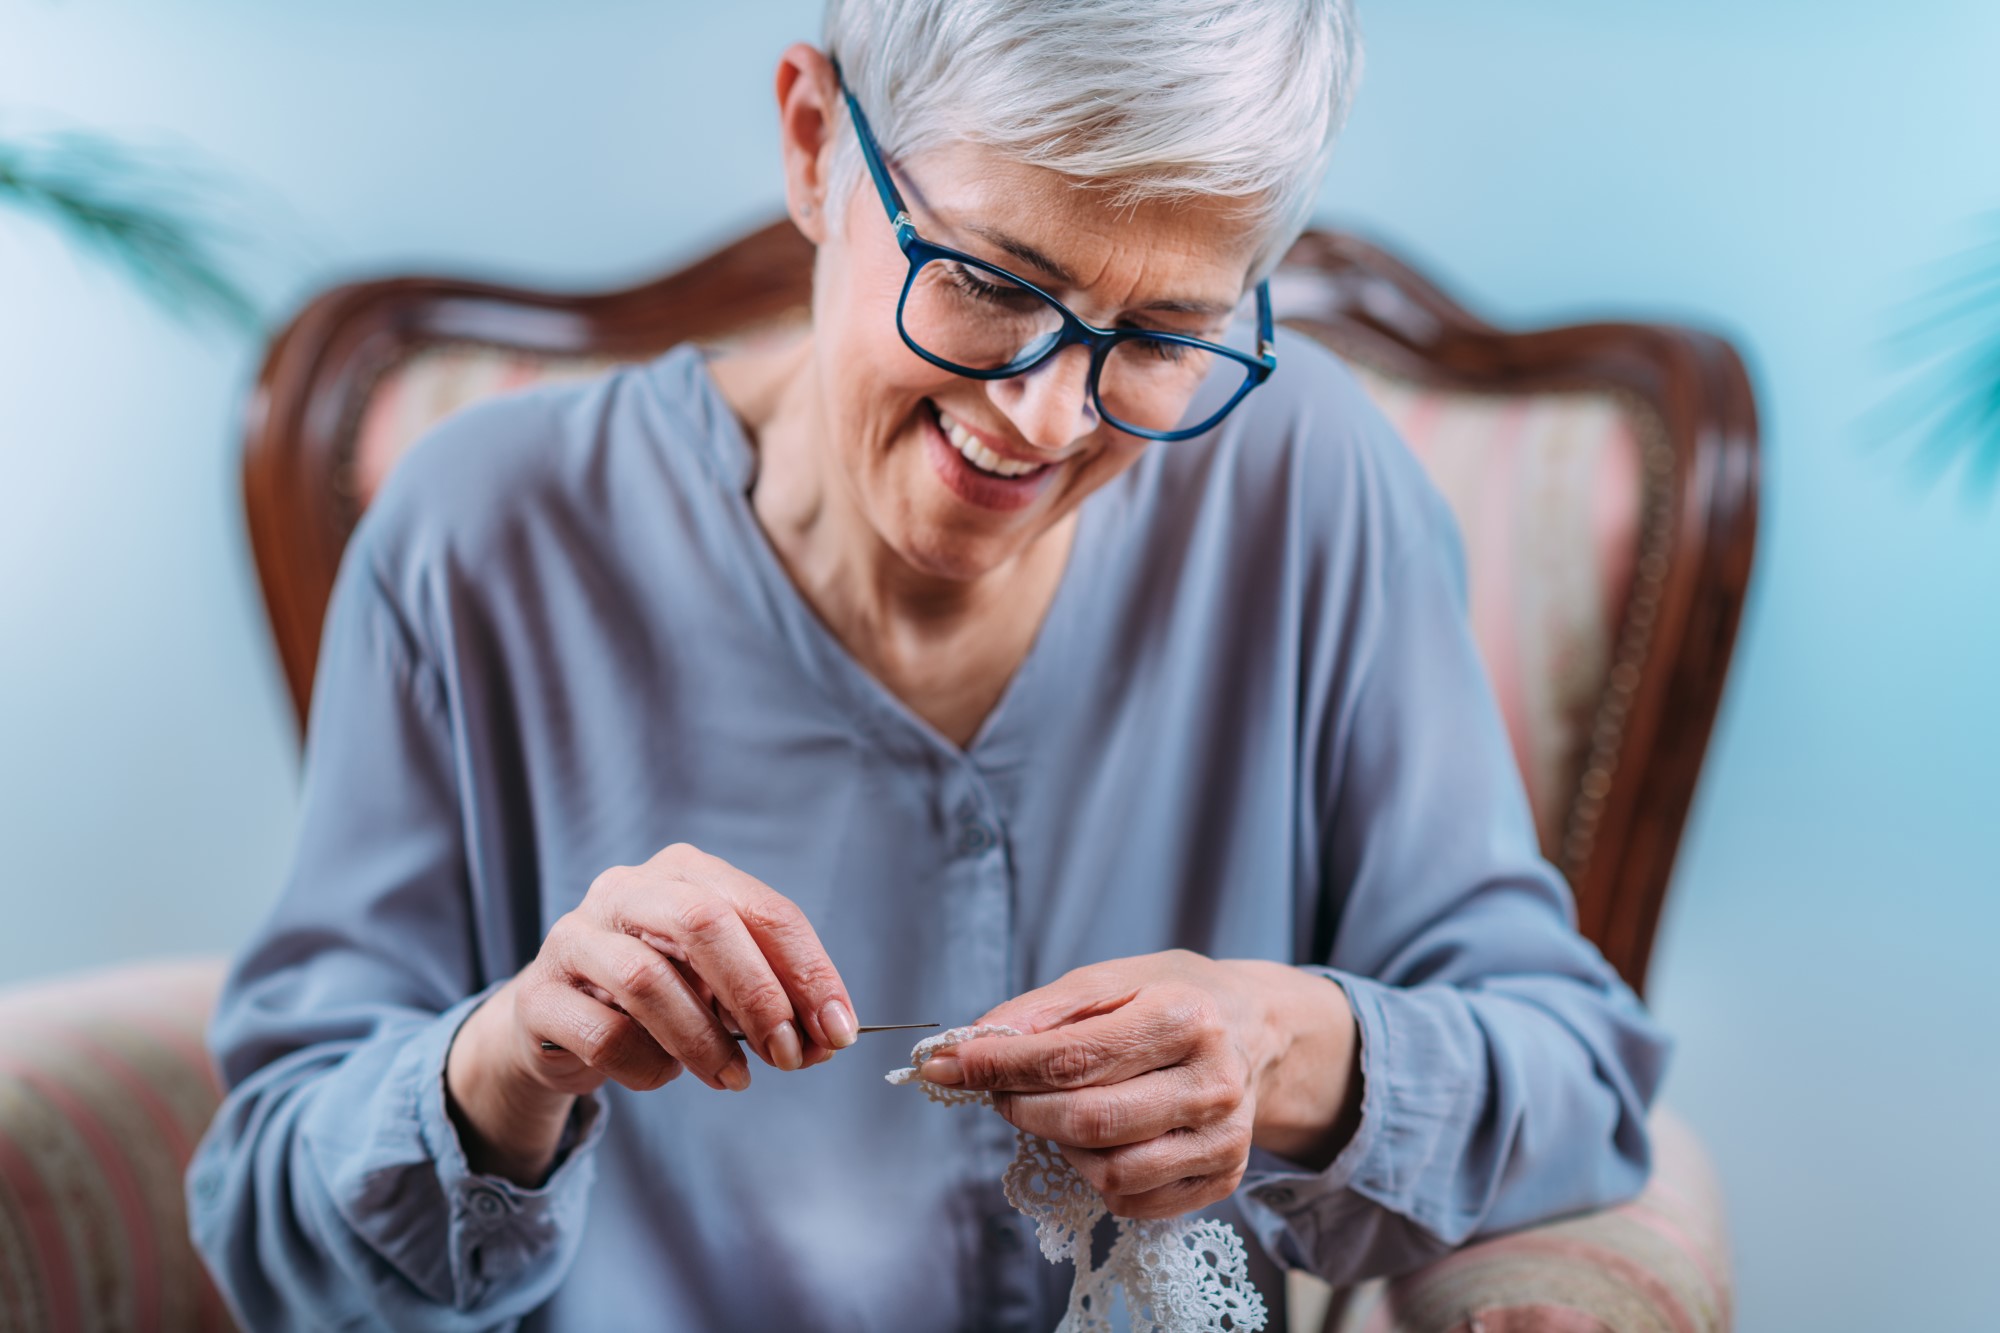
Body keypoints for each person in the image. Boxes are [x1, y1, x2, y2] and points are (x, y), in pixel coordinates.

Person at [188, 2, 1668, 1329]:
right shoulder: (484, 534)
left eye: (1160, 336)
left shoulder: (1316, 486)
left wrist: (1291, 1046)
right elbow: (270, 1224)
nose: (1043, 415)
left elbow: (1578, 1082)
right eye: (988, 279)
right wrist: (506, 1063)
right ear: (815, 140)